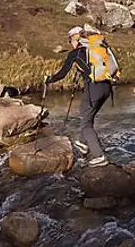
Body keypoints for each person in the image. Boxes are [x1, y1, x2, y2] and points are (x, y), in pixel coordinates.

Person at [45, 26, 112, 167]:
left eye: (70, 40)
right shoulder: (96, 48)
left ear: (74, 39)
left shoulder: (75, 53)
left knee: (86, 123)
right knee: (87, 114)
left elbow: (62, 73)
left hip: (93, 88)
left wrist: (49, 80)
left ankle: (99, 156)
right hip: (107, 88)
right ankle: (82, 143)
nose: (70, 43)